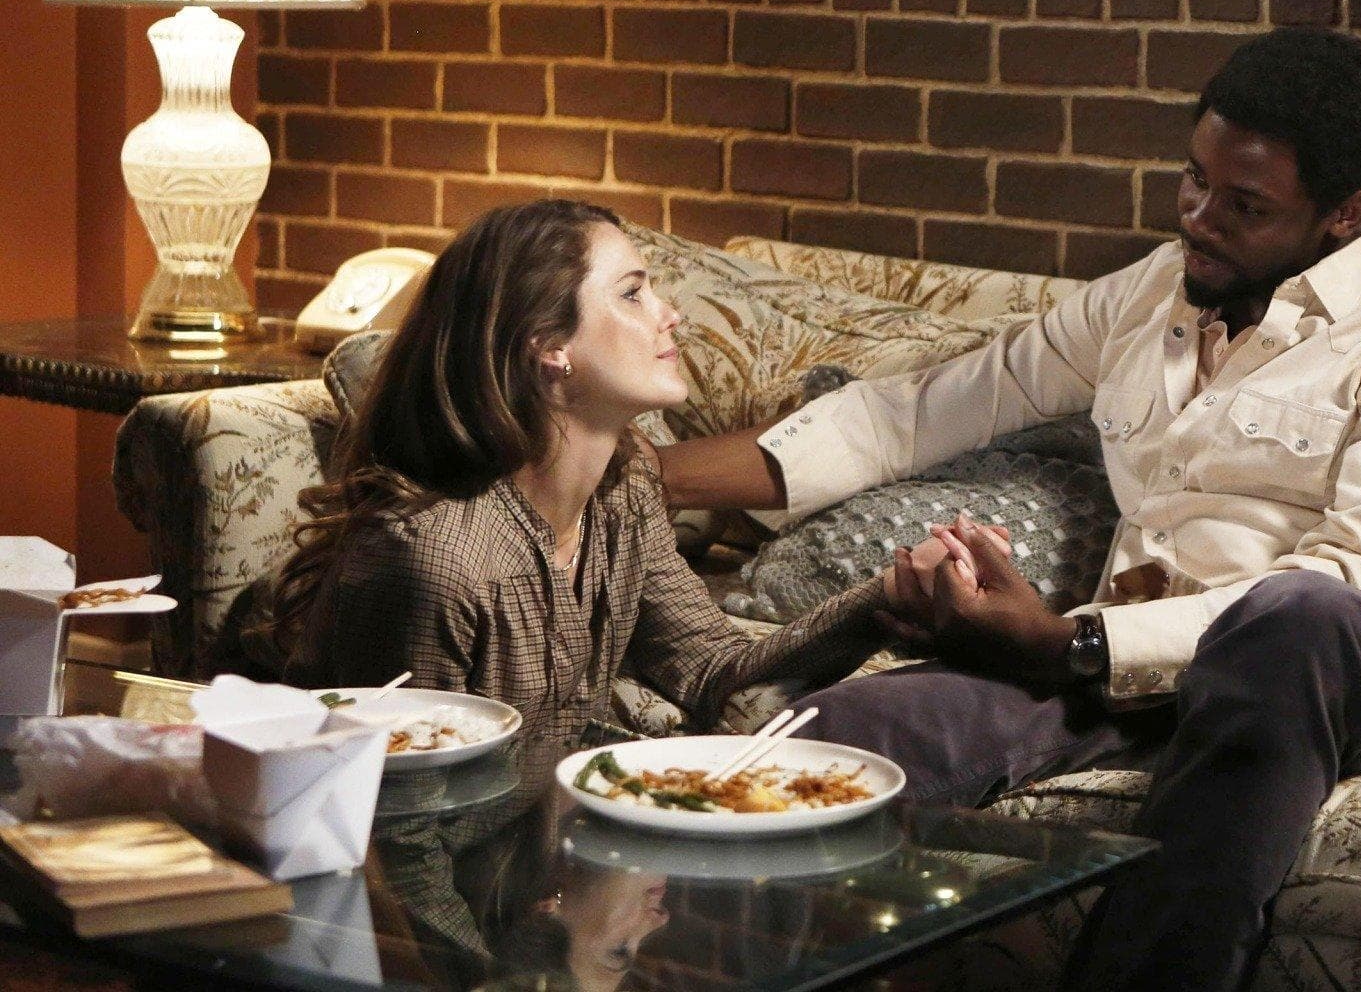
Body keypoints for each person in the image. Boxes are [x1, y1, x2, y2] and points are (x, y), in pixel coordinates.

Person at [656, 27, 1361, 990]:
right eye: (1192, 179)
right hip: (1129, 671)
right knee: (832, 736)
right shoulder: (1155, 292)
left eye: (1244, 205)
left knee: (1298, 618)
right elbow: (917, 414)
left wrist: (1070, 644)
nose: (1199, 219)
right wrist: (642, 477)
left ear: (1345, 214)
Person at [264, 198, 950, 744]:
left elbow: (713, 669)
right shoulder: (433, 559)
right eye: (632, 294)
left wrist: (890, 597)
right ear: (549, 347)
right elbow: (404, 817)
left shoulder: (622, 494)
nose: (670, 315)